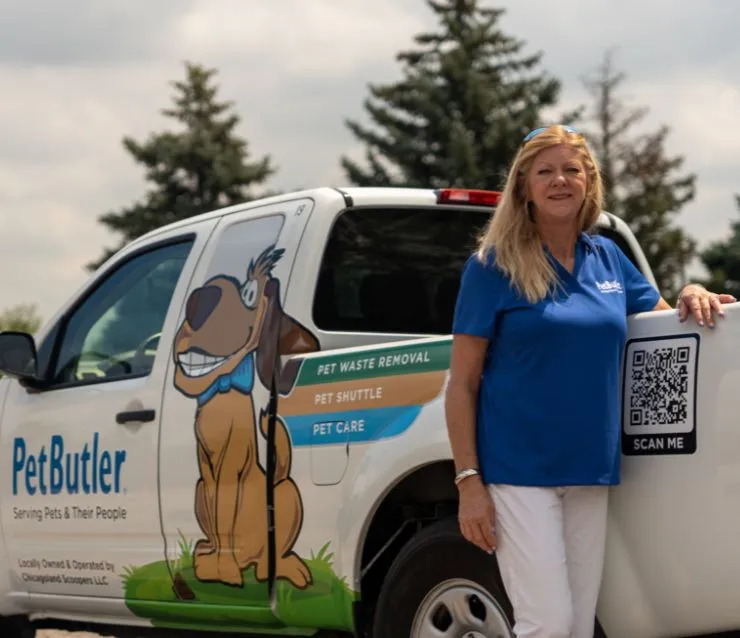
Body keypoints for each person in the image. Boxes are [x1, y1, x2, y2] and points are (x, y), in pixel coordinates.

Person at [444, 124, 736, 638]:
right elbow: (462, 384)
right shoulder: (492, 266)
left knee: (579, 625)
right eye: (545, 171)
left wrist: (693, 289)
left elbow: (665, 326)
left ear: (588, 181)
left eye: (571, 170)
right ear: (524, 187)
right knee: (548, 623)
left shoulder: (608, 258)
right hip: (518, 471)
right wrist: (469, 483)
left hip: (591, 471)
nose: (560, 180)